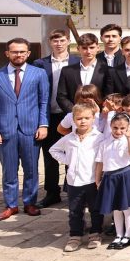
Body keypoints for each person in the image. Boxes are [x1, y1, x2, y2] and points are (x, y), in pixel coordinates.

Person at [0, 38, 49, 220]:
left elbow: (43, 101)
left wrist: (43, 124)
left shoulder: (39, 74)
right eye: (14, 52)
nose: (18, 54)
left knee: (31, 169)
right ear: (7, 53)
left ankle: (30, 203)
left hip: (31, 130)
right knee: (9, 170)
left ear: (28, 53)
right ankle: (11, 205)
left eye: (22, 51)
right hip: (5, 131)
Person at [50, 103, 104, 251]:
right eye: (79, 118)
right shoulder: (69, 138)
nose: (83, 121)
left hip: (92, 180)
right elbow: (53, 150)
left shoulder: (99, 138)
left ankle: (95, 234)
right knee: (75, 210)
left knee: (95, 209)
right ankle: (75, 235)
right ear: (73, 120)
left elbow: (103, 157)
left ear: (93, 119)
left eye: (87, 118)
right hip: (74, 181)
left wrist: (100, 176)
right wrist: (68, 160)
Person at [34, 29, 77, 207]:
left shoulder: (76, 61)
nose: (58, 44)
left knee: (73, 153)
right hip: (49, 115)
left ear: (68, 41)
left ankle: (72, 191)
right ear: (50, 42)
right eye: (55, 40)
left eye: (62, 40)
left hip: (72, 114)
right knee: (50, 154)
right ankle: (52, 192)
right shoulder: (39, 64)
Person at [95, 111, 130, 249]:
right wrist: (98, 180)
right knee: (116, 208)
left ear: (128, 128)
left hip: (124, 175)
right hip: (109, 177)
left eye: (122, 128)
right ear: (111, 126)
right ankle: (119, 235)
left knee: (126, 208)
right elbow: (100, 162)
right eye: (115, 128)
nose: (118, 131)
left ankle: (128, 235)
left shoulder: (129, 140)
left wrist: (129, 137)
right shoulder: (104, 143)